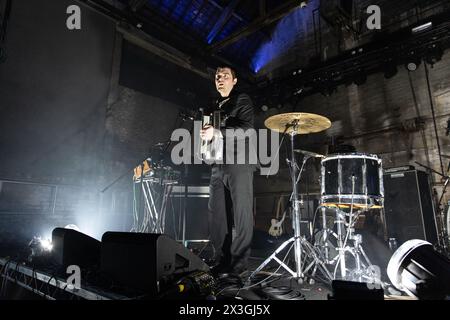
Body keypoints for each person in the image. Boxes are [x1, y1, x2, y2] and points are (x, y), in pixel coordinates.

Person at [200, 66, 256, 276]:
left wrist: (218, 131)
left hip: (239, 162)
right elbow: (211, 136)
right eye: (217, 76)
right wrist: (205, 145)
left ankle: (239, 266)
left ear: (234, 80)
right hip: (217, 164)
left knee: (241, 213)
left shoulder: (241, 99)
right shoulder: (213, 107)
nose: (220, 78)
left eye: (225, 76)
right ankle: (221, 259)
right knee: (217, 213)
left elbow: (247, 129)